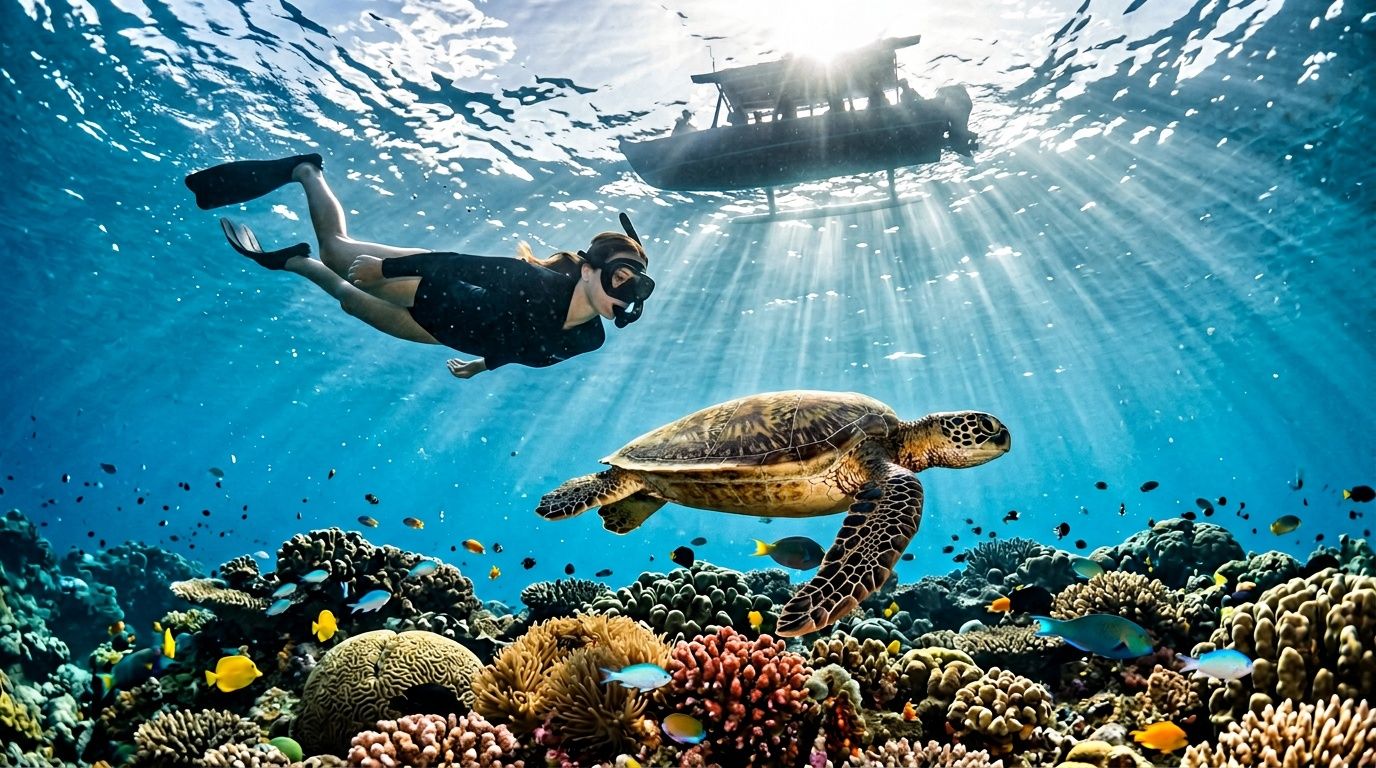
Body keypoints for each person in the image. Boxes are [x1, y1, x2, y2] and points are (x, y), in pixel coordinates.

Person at [184, 154, 654, 378]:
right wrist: (384, 273)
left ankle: (294, 261)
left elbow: (526, 342)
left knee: (350, 302)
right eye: (621, 277)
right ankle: (306, 171)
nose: (627, 295)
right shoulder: (537, 282)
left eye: (638, 288)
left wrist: (481, 365)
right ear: (590, 269)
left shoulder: (588, 339)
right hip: (427, 287)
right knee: (338, 251)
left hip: (440, 332)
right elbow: (454, 264)